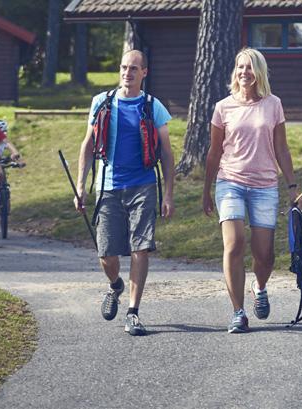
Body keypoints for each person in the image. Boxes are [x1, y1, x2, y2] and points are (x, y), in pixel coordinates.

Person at [74, 49, 175, 336]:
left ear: (144, 72)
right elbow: (88, 145)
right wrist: (81, 186)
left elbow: (167, 153)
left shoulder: (153, 106)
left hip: (142, 184)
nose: (127, 73)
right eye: (123, 67)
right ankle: (116, 285)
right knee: (106, 254)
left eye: (133, 68)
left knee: (140, 248)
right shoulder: (101, 103)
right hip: (107, 186)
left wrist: (168, 193)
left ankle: (133, 311)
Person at [202, 48, 297, 334]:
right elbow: (214, 151)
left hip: (265, 185)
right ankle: (238, 313)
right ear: (235, 72)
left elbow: (281, 147)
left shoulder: (273, 105)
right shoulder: (223, 107)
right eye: (240, 67)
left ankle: (260, 286)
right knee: (234, 243)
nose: (244, 72)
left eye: (250, 68)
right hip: (229, 181)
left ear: (259, 73)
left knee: (264, 255)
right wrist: (206, 190)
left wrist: (292, 186)